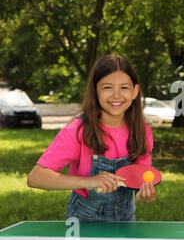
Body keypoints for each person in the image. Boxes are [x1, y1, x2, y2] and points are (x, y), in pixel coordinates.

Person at [27, 54, 157, 221]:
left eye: (124, 87)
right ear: (95, 91)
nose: (116, 95)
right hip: (84, 219)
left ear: (135, 91)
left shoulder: (142, 130)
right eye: (107, 87)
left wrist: (146, 194)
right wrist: (89, 182)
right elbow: (36, 178)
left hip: (126, 219)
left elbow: (141, 180)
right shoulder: (77, 130)